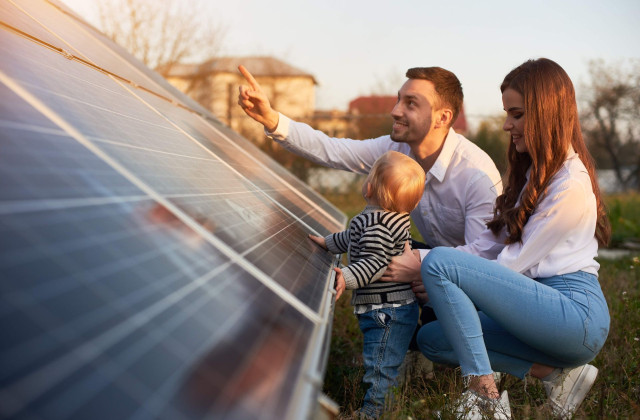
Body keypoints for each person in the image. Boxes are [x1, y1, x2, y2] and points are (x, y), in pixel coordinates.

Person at [406, 58, 611, 419]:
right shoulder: (536, 175)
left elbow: (512, 268)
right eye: (507, 113)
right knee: (433, 340)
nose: (507, 125)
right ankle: (560, 376)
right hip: (535, 308)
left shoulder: (570, 186)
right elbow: (494, 250)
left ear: (546, 113)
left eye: (516, 114)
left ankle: (485, 397)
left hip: (573, 316)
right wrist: (441, 282)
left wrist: (438, 278)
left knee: (439, 262)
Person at [237, 64, 502, 336]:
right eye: (399, 98)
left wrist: (423, 264)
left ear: (442, 117)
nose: (395, 110)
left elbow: (483, 257)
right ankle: (397, 336)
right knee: (382, 251)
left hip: (477, 281)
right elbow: (334, 150)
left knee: (437, 336)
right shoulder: (396, 149)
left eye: (411, 103)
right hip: (431, 264)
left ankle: (476, 345)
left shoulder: (475, 175)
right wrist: (272, 120)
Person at [308, 150, 426, 418]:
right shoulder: (383, 219)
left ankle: (374, 413)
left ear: (369, 186)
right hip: (392, 308)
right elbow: (352, 237)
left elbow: (374, 263)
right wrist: (327, 242)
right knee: (384, 358)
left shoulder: (377, 224)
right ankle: (387, 397)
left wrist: (346, 276)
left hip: (386, 311)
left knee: (380, 363)